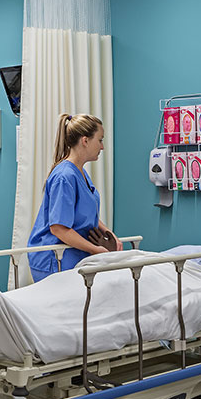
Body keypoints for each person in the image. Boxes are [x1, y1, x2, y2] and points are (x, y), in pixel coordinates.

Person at [26, 113, 121, 282]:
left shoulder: (80, 173)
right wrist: (95, 250)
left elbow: (85, 213)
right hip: (55, 258)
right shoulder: (65, 176)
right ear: (85, 140)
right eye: (100, 140)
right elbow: (58, 228)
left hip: (72, 255)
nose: (102, 147)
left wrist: (108, 233)